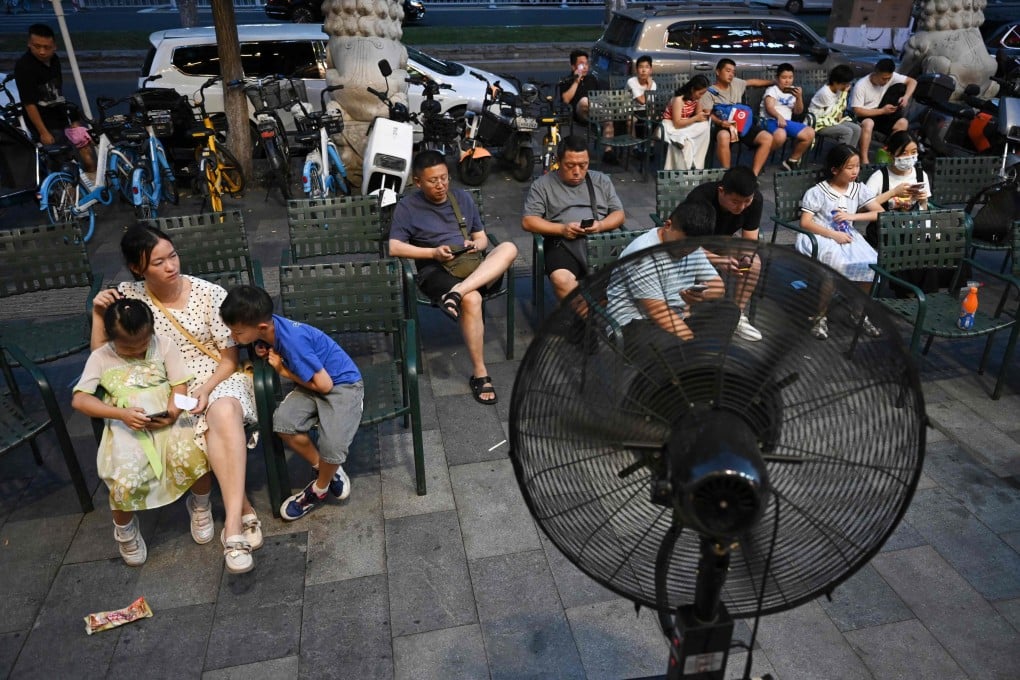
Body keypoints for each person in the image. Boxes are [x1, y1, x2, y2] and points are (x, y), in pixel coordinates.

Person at [91, 224, 262, 575]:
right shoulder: (128, 298)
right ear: (139, 268)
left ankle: (232, 526)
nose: (171, 266)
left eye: (172, 256)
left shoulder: (207, 294)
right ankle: (239, 507)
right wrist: (97, 315)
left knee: (224, 411)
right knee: (198, 426)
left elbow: (229, 359)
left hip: (216, 377)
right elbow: (101, 361)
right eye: (159, 262)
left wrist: (204, 389)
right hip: (165, 387)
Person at [72, 299, 211, 568]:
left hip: (167, 419)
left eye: (143, 344)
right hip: (128, 425)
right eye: (128, 347)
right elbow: (80, 400)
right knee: (124, 477)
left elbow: (178, 385)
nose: (137, 351)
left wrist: (171, 413)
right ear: (111, 340)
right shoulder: (101, 357)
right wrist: (120, 414)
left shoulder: (164, 345)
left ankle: (201, 506)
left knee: (196, 455)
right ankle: (124, 530)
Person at [220, 285, 364, 521]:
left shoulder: (294, 343)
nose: (233, 338)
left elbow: (325, 386)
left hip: (342, 385)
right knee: (284, 424)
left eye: (237, 333)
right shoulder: (270, 328)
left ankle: (318, 490)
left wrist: (283, 370)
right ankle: (327, 472)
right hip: (313, 383)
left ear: (262, 327)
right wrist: (260, 346)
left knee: (334, 444)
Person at [389, 150, 518, 405]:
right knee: (472, 301)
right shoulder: (407, 207)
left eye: (444, 178)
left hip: (470, 265)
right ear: (418, 182)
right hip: (435, 270)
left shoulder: (461, 198)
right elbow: (394, 247)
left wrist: (474, 245)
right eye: (433, 181)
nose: (441, 185)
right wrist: (433, 253)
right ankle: (480, 373)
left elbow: (481, 237)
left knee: (509, 248)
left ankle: (457, 293)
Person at [798, 144, 906, 340]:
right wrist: (833, 235)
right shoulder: (818, 192)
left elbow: (879, 213)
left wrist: (852, 217)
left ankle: (858, 311)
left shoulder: (858, 189)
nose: (855, 171)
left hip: (849, 234)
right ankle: (820, 316)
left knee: (871, 263)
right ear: (835, 169)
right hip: (822, 234)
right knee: (834, 263)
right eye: (850, 167)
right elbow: (805, 222)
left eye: (857, 166)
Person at [607, 200, 735, 348]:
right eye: (682, 244)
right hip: (636, 324)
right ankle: (697, 357)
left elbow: (718, 287)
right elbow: (658, 312)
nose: (687, 251)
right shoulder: (643, 255)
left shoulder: (692, 247)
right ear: (667, 225)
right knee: (677, 351)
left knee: (728, 311)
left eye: (693, 247)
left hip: (676, 316)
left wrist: (702, 295)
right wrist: (692, 346)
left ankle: (701, 355)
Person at [522, 134, 626, 304]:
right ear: (558, 161)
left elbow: (619, 214)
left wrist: (600, 225)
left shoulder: (601, 180)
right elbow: (528, 220)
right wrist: (561, 229)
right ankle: (593, 320)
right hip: (562, 243)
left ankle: (598, 317)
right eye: (570, 165)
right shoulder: (542, 185)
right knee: (561, 279)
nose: (577, 171)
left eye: (583, 165)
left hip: (599, 240)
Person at [685, 166, 766, 342]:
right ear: (722, 191)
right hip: (690, 246)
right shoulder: (700, 199)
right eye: (736, 202)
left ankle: (736, 316)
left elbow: (750, 240)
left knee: (753, 264)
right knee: (711, 285)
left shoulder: (755, 200)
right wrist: (718, 260)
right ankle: (684, 317)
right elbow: (686, 243)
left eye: (747, 201)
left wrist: (746, 259)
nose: (742, 207)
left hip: (722, 242)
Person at [13, 24, 96, 173]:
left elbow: (58, 92)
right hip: (46, 123)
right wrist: (43, 132)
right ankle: (64, 193)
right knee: (62, 166)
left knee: (87, 154)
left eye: (47, 47)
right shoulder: (24, 67)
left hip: (62, 115)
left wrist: (73, 119)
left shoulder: (54, 60)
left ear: (54, 47)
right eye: (37, 46)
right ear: (29, 44)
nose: (42, 51)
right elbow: (29, 104)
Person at [700, 58, 776, 175]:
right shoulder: (709, 92)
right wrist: (720, 122)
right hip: (724, 125)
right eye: (728, 71)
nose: (731, 74)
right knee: (724, 136)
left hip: (742, 124)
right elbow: (707, 113)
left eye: (733, 72)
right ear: (718, 72)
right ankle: (727, 173)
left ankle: (754, 175)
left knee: (767, 138)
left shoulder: (736, 83)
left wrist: (773, 82)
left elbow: (752, 82)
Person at [850, 58, 917, 164]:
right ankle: (864, 160)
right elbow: (857, 110)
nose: (886, 81)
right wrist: (882, 111)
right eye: (883, 79)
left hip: (882, 114)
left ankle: (890, 155)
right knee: (869, 123)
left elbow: (912, 81)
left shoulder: (890, 77)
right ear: (875, 73)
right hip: (866, 115)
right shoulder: (861, 85)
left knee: (903, 122)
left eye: (888, 79)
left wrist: (906, 97)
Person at [558, 49, 614, 160]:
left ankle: (608, 152)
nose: (585, 66)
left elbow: (599, 96)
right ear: (573, 67)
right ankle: (606, 112)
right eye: (581, 64)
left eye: (586, 63)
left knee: (609, 119)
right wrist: (576, 81)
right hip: (579, 113)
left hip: (595, 112)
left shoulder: (592, 79)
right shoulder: (566, 80)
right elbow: (565, 99)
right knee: (584, 101)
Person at [760, 63, 815, 171]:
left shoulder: (793, 91)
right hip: (770, 120)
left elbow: (798, 112)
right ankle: (761, 156)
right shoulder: (772, 90)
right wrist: (778, 116)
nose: (787, 81)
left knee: (810, 133)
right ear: (777, 78)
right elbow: (769, 107)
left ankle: (791, 161)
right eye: (784, 78)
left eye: (790, 78)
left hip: (786, 123)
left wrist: (799, 97)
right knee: (781, 135)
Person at [660, 74, 712, 170]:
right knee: (687, 145)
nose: (701, 96)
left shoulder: (696, 99)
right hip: (670, 125)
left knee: (705, 125)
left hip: (685, 126)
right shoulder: (678, 99)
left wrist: (704, 114)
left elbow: (698, 115)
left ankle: (682, 138)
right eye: (700, 93)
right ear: (692, 89)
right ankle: (684, 172)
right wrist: (696, 118)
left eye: (703, 93)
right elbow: (677, 123)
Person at [808, 65, 862, 153]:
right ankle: (840, 158)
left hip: (832, 120)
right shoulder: (825, 93)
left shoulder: (839, 89)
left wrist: (840, 112)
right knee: (847, 131)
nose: (846, 86)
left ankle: (850, 155)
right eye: (844, 84)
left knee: (857, 129)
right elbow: (833, 112)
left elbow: (840, 108)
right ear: (835, 82)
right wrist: (844, 93)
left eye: (847, 83)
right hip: (819, 122)